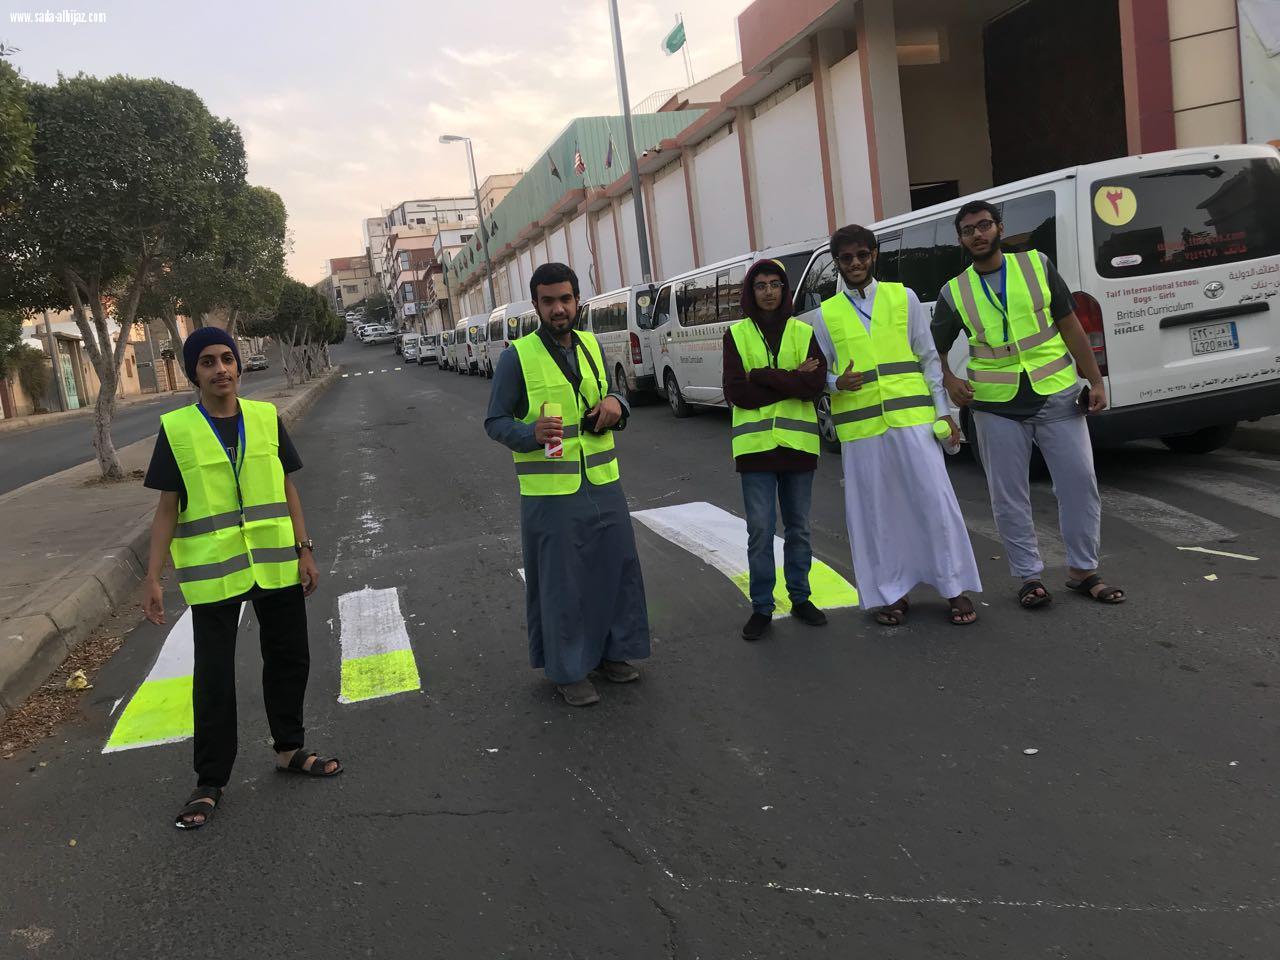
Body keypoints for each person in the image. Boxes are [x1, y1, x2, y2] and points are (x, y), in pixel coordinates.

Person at [140, 327, 339, 831]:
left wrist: (305, 549)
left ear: (240, 365)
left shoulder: (266, 419)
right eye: (208, 362)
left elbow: (287, 486)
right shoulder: (179, 428)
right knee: (213, 678)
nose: (221, 369)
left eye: (227, 358)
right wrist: (152, 577)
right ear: (194, 373)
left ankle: (289, 749)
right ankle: (210, 781)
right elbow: (167, 509)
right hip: (215, 572)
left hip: (274, 562)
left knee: (290, 657)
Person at [933, 200, 1125, 608]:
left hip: (1056, 392)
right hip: (994, 405)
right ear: (961, 239)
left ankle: (1083, 570)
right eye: (969, 230)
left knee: (1079, 485)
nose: (978, 234)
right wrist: (949, 380)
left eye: (984, 225)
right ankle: (1029, 577)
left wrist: (1095, 379)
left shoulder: (1037, 264)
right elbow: (932, 349)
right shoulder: (955, 291)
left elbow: (1070, 324)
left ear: (1000, 228)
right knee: (1008, 496)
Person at [485, 262, 651, 707]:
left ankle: (612, 654)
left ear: (578, 300)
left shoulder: (593, 344)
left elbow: (617, 394)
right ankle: (569, 669)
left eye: (565, 299)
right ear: (536, 305)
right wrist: (529, 435)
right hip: (552, 494)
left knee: (615, 569)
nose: (558, 309)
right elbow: (494, 421)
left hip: (603, 482)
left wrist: (617, 403)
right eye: (548, 301)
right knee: (562, 583)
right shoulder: (516, 357)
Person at [812, 224, 982, 626]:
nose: (855, 263)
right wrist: (837, 382)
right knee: (876, 513)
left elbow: (928, 360)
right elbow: (816, 373)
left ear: (874, 255)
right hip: (861, 430)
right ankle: (892, 592)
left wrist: (943, 413)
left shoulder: (902, 297)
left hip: (913, 422)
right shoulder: (825, 315)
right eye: (846, 258)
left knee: (934, 501)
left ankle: (953, 587)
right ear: (837, 263)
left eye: (862, 255)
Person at [722, 259, 829, 641]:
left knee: (799, 529)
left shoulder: (804, 330)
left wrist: (764, 376)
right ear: (751, 292)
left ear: (785, 290)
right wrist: (790, 378)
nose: (768, 291)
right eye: (761, 285)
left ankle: (801, 597)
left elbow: (814, 384)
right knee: (761, 531)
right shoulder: (736, 335)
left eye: (776, 284)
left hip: (798, 447)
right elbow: (738, 394)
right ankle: (762, 607)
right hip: (755, 450)